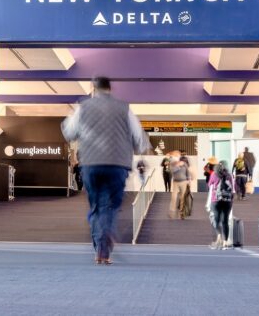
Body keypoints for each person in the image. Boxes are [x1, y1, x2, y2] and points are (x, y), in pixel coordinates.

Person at [62, 76, 150, 265]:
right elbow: (140, 138)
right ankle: (106, 243)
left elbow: (69, 132)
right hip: (118, 165)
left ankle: (99, 247)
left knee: (95, 208)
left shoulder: (83, 107)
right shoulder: (124, 108)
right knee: (110, 207)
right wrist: (137, 150)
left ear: (93, 89)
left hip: (91, 165)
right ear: (110, 88)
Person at [207, 160, 236, 250]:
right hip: (227, 200)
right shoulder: (229, 175)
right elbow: (233, 188)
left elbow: (209, 185)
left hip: (216, 200)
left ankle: (219, 236)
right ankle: (225, 242)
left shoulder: (214, 174)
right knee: (225, 221)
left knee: (215, 219)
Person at [169, 150, 192, 220]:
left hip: (184, 182)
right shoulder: (172, 163)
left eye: (178, 155)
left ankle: (182, 213)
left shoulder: (184, 163)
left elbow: (187, 171)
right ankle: (172, 212)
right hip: (175, 182)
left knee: (183, 198)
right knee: (174, 197)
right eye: (175, 155)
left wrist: (189, 179)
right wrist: (178, 166)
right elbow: (172, 171)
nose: (177, 157)